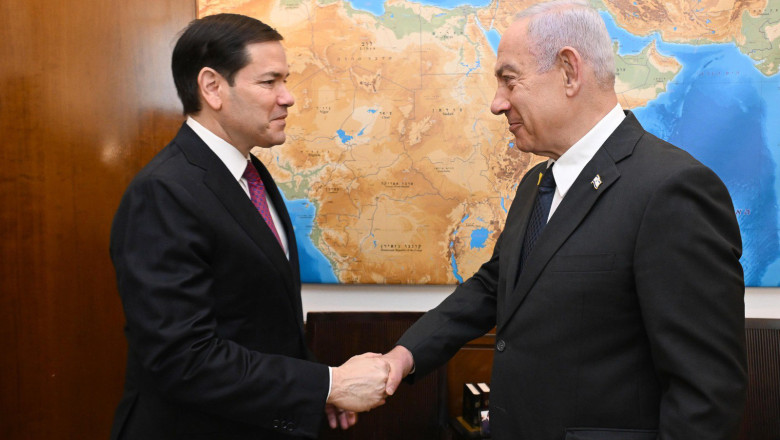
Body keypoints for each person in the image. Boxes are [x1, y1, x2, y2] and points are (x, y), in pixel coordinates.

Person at [382, 1, 747, 439]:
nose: (497, 104)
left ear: (569, 71)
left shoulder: (672, 190)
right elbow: (495, 286)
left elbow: (706, 395)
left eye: (509, 81)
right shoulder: (539, 182)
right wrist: (402, 357)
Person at [109, 14, 389, 439]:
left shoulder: (250, 172)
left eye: (285, 80)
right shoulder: (164, 192)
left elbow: (256, 323)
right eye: (269, 82)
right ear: (212, 87)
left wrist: (314, 394)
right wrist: (331, 383)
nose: (288, 97)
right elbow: (183, 359)